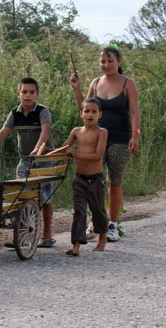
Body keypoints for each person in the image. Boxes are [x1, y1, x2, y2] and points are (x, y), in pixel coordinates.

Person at [69, 45, 141, 242]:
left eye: (110, 61)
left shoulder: (128, 83)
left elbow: (134, 112)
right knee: (94, 181)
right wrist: (76, 89)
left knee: (114, 183)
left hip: (120, 139)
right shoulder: (95, 82)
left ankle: (113, 225)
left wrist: (135, 135)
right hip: (96, 139)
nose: (106, 65)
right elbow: (85, 110)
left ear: (119, 62)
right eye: (103, 61)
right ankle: (96, 222)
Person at [0, 77, 56, 248]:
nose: (27, 95)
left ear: (37, 95)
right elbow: (4, 131)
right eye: (24, 92)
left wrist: (38, 149)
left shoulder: (42, 111)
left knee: (44, 197)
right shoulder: (15, 113)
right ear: (19, 94)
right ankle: (22, 235)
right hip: (25, 161)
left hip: (45, 160)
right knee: (22, 195)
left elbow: (45, 131)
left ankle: (46, 235)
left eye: (31, 92)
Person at [50, 98, 108, 255]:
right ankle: (76, 245)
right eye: (87, 111)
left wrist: (75, 155)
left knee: (98, 211)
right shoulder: (76, 131)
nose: (90, 114)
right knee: (79, 211)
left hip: (96, 179)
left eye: (94, 111)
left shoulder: (102, 132)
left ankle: (102, 236)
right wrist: (45, 153)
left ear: (100, 114)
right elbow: (65, 148)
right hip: (80, 179)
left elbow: (97, 156)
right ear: (81, 113)